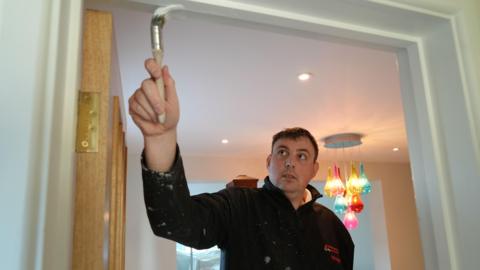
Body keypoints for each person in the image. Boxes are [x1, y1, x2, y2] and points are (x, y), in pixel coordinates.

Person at [129, 59, 354, 270]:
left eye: (302, 156)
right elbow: (175, 220)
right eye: (282, 152)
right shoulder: (238, 205)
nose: (290, 163)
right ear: (269, 162)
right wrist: (161, 140)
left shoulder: (332, 227)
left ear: (315, 169)